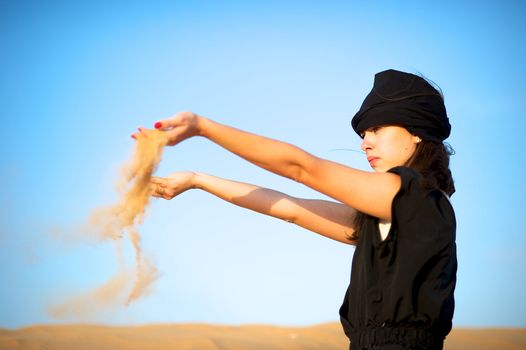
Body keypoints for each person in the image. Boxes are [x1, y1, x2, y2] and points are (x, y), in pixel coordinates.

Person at [132, 69, 457, 350]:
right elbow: (289, 208)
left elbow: (301, 168)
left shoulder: (417, 198)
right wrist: (197, 180)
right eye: (363, 134)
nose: (364, 143)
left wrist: (203, 127)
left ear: (416, 132)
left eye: (376, 129)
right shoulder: (384, 215)